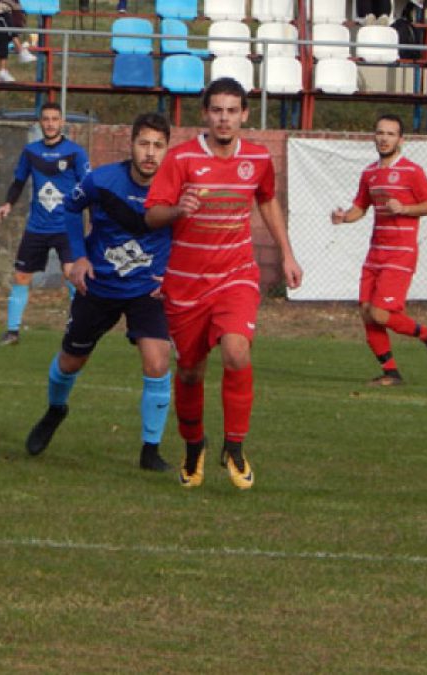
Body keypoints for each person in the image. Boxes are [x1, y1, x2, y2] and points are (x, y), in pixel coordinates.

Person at [144, 77, 303, 490]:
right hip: (185, 283)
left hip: (236, 276)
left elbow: (266, 199)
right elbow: (152, 215)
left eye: (232, 111)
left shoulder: (257, 157)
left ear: (245, 115)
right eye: (217, 110)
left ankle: (234, 445)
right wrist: (179, 208)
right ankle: (194, 445)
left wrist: (286, 252)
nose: (224, 118)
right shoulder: (180, 160)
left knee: (236, 350)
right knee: (191, 371)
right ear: (205, 114)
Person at [25, 113, 174, 471]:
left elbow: (190, 231)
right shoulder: (103, 179)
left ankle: (150, 451)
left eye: (158, 146)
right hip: (99, 285)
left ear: (167, 149)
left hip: (147, 290)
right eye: (144, 144)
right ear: (132, 145)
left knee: (157, 362)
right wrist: (78, 256)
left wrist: (174, 275)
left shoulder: (175, 188)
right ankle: (55, 409)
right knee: (71, 360)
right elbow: (71, 207)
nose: (150, 153)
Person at [330, 114, 427, 386]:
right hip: (375, 253)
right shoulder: (369, 173)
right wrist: (344, 217)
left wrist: (404, 209)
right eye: (380, 133)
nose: (384, 138)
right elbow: (360, 207)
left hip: (400, 252)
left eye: (391, 134)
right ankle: (391, 373)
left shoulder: (412, 171)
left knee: (381, 313)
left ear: (400, 140)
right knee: (367, 312)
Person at [0, 102, 91, 345]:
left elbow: (89, 188)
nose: (50, 123)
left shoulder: (75, 153)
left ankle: (78, 327)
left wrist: (94, 218)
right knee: (21, 277)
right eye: (46, 119)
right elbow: (19, 181)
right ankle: (13, 332)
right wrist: (8, 204)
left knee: (72, 275)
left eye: (54, 119)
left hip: (67, 226)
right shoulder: (31, 152)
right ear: (40, 122)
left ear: (62, 123)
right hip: (37, 226)